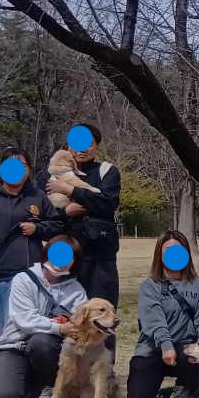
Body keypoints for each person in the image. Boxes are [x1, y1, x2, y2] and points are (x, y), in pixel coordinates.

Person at [0, 147, 65, 355]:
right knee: (2, 332)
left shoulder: (38, 196)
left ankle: (32, 373)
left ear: (28, 169)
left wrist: (37, 228)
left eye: (22, 165)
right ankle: (0, 372)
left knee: (35, 330)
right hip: (1, 277)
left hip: (33, 278)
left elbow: (57, 225)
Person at [45, 123, 122, 370]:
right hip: (68, 259)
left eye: (88, 143)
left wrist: (69, 189)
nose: (82, 149)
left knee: (104, 317)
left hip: (101, 258)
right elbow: (48, 214)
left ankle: (104, 376)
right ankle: (64, 375)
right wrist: (67, 211)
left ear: (96, 146)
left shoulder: (108, 172)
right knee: (66, 316)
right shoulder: (54, 174)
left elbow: (108, 204)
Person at [0, 235, 88, 398]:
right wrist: (60, 327)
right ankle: (31, 382)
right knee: (4, 397)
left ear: (74, 262)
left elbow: (82, 322)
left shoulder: (76, 289)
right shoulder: (23, 279)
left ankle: (48, 384)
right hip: (15, 345)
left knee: (41, 341)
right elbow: (24, 319)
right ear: (46, 253)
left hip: (51, 348)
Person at [128, 231, 199, 398]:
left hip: (185, 348)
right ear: (159, 254)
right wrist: (166, 346)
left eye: (178, 249)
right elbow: (154, 321)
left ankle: (184, 386)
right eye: (167, 249)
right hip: (154, 348)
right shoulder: (150, 286)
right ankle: (165, 391)